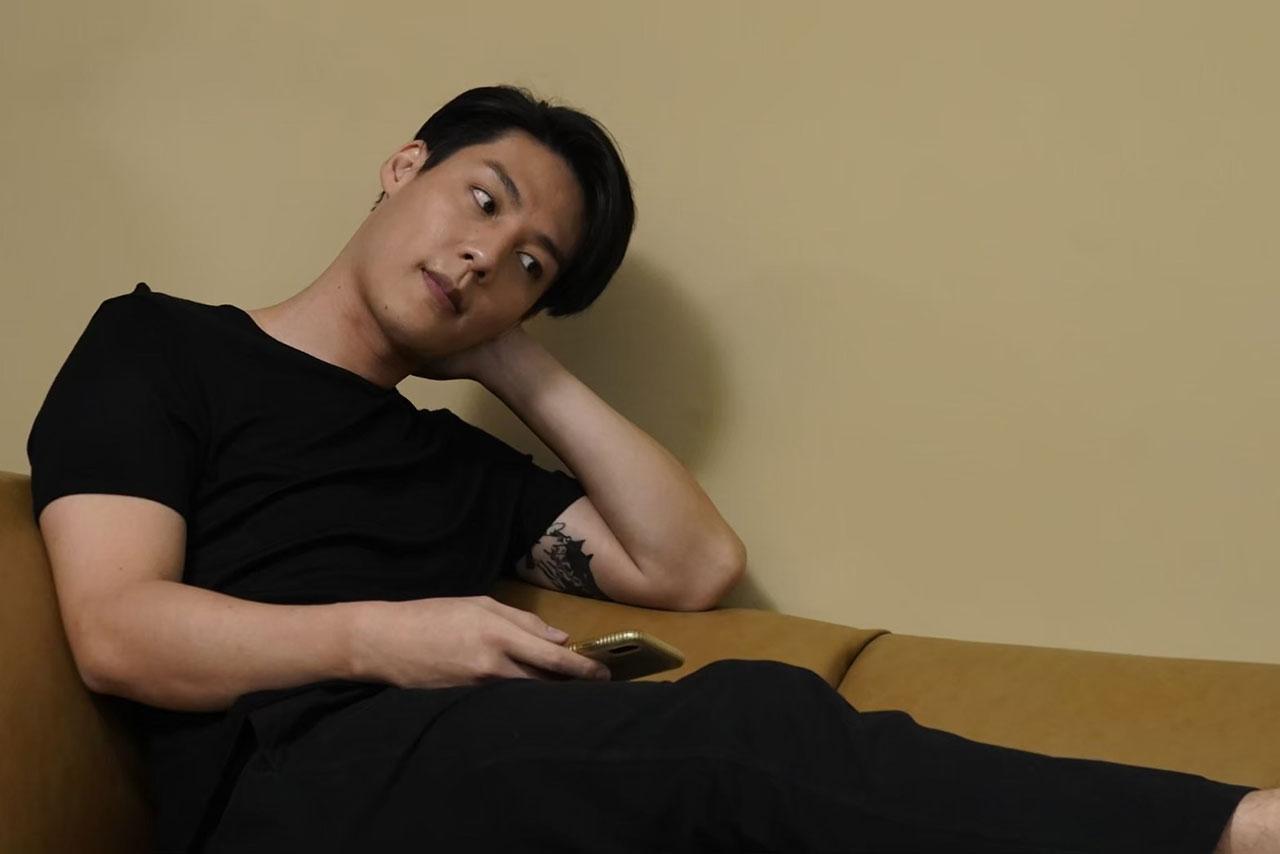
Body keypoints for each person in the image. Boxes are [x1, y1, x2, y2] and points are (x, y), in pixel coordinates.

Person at [26, 84, 1276, 854]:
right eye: (481, 201)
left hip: (461, 775)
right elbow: (117, 629)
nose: (485, 255)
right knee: (743, 726)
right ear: (403, 167)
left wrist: (508, 354)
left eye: (531, 263)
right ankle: (1232, 829)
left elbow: (690, 563)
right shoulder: (161, 343)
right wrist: (388, 638)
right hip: (281, 783)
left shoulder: (449, 457)